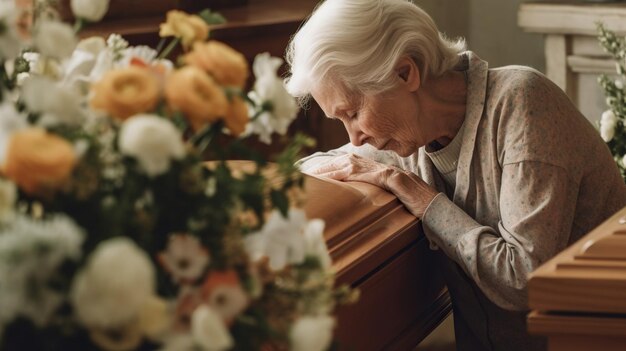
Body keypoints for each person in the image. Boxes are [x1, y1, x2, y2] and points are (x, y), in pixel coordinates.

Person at [284, 0, 626, 350]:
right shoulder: (407, 133)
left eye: (353, 113)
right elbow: (327, 163)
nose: (353, 137)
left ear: (405, 73)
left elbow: (524, 281)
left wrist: (418, 196)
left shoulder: (523, 104)